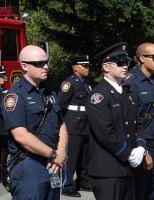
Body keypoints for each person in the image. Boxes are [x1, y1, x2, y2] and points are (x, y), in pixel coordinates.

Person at [1, 45, 68, 200]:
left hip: (52, 164)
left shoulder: (49, 92)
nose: (45, 66)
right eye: (39, 63)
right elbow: (21, 136)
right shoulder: (15, 96)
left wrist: (60, 153)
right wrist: (53, 154)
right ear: (24, 66)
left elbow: (61, 125)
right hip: (29, 165)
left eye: (46, 62)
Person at [86, 42, 146, 200]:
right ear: (106, 67)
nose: (125, 66)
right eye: (120, 63)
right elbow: (105, 133)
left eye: (126, 62)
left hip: (129, 168)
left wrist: (141, 146)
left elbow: (138, 124)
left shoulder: (128, 92)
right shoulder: (98, 95)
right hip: (108, 170)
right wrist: (128, 153)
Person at [125, 43, 154, 200]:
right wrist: (143, 151)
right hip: (143, 147)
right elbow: (130, 121)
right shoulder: (131, 82)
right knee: (139, 193)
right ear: (142, 58)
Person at [58, 55, 92, 197]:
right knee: (70, 157)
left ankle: (83, 181)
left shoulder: (86, 82)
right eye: (84, 65)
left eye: (88, 65)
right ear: (75, 67)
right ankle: (67, 186)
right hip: (72, 124)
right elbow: (60, 105)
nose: (87, 68)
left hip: (85, 123)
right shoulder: (69, 83)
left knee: (84, 157)